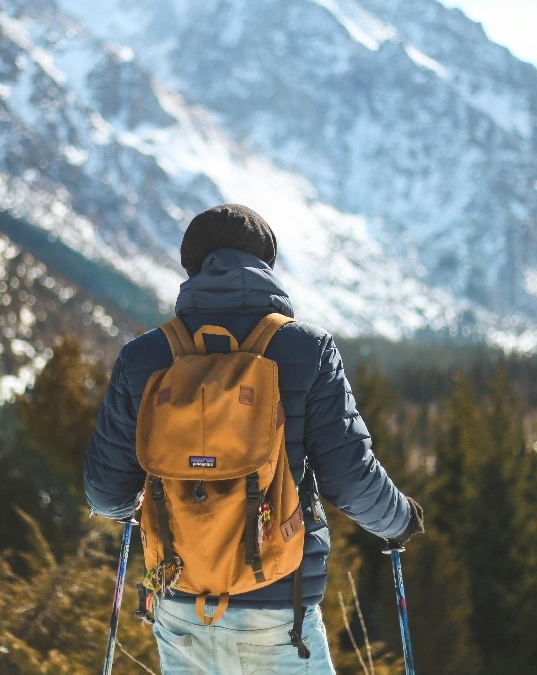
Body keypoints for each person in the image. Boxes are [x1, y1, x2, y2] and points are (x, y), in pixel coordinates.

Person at [84, 203, 424, 674]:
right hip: (277, 608)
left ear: (193, 267)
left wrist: (144, 506)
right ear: (266, 263)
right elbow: (349, 477)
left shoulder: (144, 357)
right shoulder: (307, 349)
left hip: (179, 603)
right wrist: (399, 520)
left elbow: (106, 494)